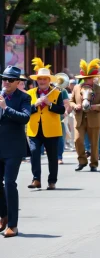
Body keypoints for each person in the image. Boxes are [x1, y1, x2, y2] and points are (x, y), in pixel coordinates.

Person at [0, 66, 31, 237]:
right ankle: (3, 215)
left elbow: (25, 117)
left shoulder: (24, 98)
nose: (5, 82)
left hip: (14, 148)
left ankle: (13, 224)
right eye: (4, 79)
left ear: (18, 82)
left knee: (9, 183)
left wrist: (6, 107)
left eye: (10, 79)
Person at [27, 58, 65, 190]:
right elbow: (25, 111)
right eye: (40, 79)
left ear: (49, 80)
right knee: (34, 152)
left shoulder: (57, 93)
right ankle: (36, 179)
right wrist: (34, 105)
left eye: (45, 79)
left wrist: (50, 104)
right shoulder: (29, 94)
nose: (42, 81)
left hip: (52, 130)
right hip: (34, 129)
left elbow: (62, 110)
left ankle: (52, 181)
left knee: (52, 157)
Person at [70, 59, 100, 172]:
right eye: (85, 78)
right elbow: (71, 101)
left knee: (94, 143)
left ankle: (94, 163)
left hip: (94, 119)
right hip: (80, 118)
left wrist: (96, 107)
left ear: (94, 78)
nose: (87, 80)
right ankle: (82, 161)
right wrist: (75, 106)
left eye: (90, 78)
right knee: (77, 140)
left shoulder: (99, 89)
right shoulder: (77, 88)